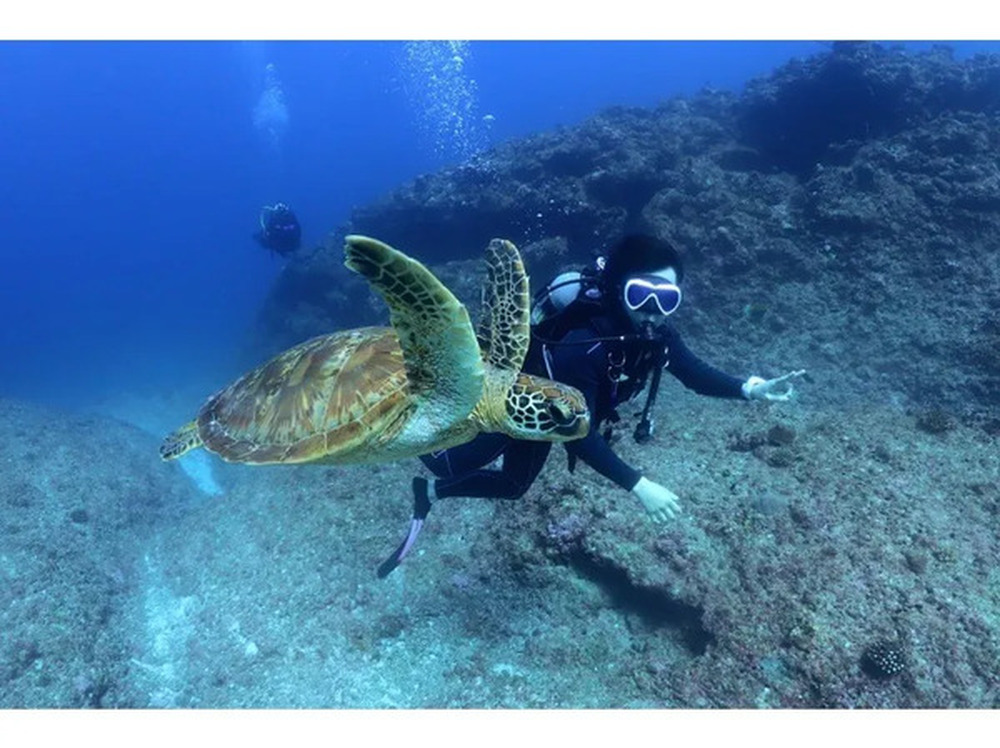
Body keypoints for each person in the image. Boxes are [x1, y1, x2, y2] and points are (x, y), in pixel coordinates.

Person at [378, 234, 805, 577]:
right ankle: (395, 413)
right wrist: (639, 486)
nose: (653, 311)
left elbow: (692, 373)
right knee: (448, 460)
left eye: (667, 298)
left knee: (513, 485)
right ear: (618, 288)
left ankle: (427, 493)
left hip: (555, 415)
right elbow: (577, 436)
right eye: (641, 295)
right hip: (521, 403)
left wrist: (749, 389)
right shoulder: (585, 347)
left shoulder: (656, 336)